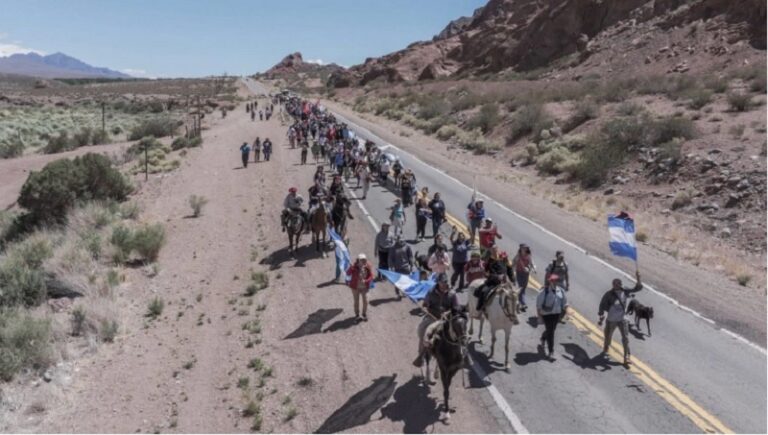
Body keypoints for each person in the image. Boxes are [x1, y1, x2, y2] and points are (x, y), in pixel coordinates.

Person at [413, 273, 459, 367]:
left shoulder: (452, 294)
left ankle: (461, 352)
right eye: (441, 282)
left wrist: (447, 313)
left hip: (446, 320)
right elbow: (425, 305)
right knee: (423, 331)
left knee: (460, 332)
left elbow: (456, 308)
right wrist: (424, 309)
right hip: (432, 317)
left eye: (445, 282)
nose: (443, 284)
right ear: (438, 282)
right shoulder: (431, 292)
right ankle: (421, 353)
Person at [598, 271, 643, 366]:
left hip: (622, 319)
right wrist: (601, 315)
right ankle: (606, 347)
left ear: (621, 284)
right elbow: (602, 304)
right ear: (613, 285)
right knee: (608, 336)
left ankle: (626, 357)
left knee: (625, 338)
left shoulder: (625, 291)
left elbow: (637, 288)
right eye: (614, 283)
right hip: (611, 320)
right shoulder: (609, 294)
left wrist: (638, 278)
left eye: (618, 283)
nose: (616, 285)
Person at [536, 274, 568, 360]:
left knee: (551, 330)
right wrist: (539, 317)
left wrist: (565, 309)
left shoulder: (561, 291)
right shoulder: (544, 292)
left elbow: (564, 303)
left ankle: (543, 338)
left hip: (557, 315)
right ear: (549, 281)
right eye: (552, 281)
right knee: (551, 333)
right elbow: (539, 305)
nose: (554, 282)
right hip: (547, 315)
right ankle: (551, 352)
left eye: (556, 281)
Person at [347, 253, 375, 322]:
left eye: (364, 260)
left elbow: (371, 276)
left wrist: (366, 280)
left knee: (366, 301)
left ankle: (364, 314)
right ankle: (357, 315)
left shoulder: (368, 266)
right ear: (358, 260)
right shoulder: (354, 266)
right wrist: (350, 268)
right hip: (355, 287)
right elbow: (348, 273)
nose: (363, 261)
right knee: (356, 302)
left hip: (365, 287)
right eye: (361, 260)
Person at [513, 244, 536, 312]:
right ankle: (523, 303)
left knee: (523, 288)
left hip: (526, 273)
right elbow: (513, 262)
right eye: (524, 248)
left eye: (526, 248)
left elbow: (532, 263)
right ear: (521, 248)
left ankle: (519, 303)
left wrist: (534, 268)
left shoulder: (528, 255)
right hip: (519, 273)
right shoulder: (518, 256)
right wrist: (512, 270)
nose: (525, 249)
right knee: (521, 288)